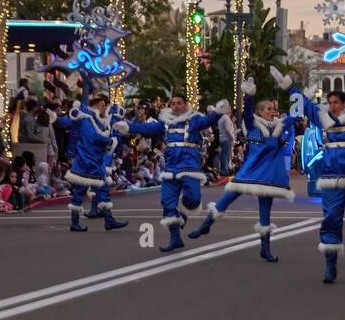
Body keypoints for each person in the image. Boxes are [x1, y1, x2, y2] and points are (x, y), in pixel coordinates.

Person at [187, 75, 299, 263]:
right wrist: (249, 94)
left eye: (274, 109)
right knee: (226, 198)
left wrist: (298, 94)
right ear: (261, 112)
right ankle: (205, 225)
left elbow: (296, 114)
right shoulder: (253, 124)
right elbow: (247, 111)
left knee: (265, 211)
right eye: (269, 109)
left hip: (268, 176)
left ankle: (265, 248)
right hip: (250, 171)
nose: (274, 111)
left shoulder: (280, 126)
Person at [288, 60, 345, 282]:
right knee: (331, 220)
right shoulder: (322, 120)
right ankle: (330, 265)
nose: (332, 106)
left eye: (336, 102)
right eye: (329, 102)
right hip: (330, 179)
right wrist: (290, 87)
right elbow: (306, 104)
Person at [124, 92, 229, 252]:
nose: (176, 106)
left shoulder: (194, 120)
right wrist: (128, 126)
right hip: (171, 167)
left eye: (179, 103)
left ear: (185, 105)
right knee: (167, 203)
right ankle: (175, 238)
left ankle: (183, 212)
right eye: (173, 103)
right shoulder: (163, 123)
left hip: (189, 166)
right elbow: (146, 127)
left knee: (193, 200)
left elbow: (208, 120)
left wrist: (218, 111)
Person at [55, 84, 129, 233]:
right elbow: (93, 137)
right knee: (80, 193)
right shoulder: (87, 119)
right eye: (102, 105)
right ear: (95, 105)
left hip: (95, 161)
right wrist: (109, 141)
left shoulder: (97, 120)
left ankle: (108, 220)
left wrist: (114, 137)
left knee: (103, 189)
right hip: (86, 162)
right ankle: (76, 223)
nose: (104, 108)